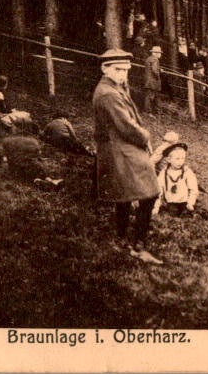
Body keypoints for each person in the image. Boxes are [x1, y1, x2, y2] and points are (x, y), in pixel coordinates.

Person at [92, 48, 162, 264]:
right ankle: (136, 244)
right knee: (150, 192)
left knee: (125, 193)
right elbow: (127, 126)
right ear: (105, 69)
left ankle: (122, 239)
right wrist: (146, 137)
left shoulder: (115, 87)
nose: (123, 75)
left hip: (121, 147)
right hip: (121, 148)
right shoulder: (108, 93)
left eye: (126, 70)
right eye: (118, 70)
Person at [153, 142, 199, 216]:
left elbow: (193, 188)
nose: (180, 161)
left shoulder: (187, 171)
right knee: (172, 213)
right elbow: (159, 190)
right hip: (171, 202)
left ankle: (188, 212)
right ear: (169, 160)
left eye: (182, 158)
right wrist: (156, 206)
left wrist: (191, 202)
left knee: (186, 215)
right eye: (177, 159)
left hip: (185, 202)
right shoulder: (164, 173)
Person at [143, 46, 162, 114]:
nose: (160, 54)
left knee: (152, 96)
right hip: (153, 81)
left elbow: (152, 68)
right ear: (156, 53)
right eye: (159, 53)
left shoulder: (149, 59)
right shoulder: (155, 59)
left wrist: (159, 69)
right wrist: (158, 75)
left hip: (148, 80)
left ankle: (157, 111)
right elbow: (154, 70)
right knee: (150, 97)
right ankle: (148, 112)